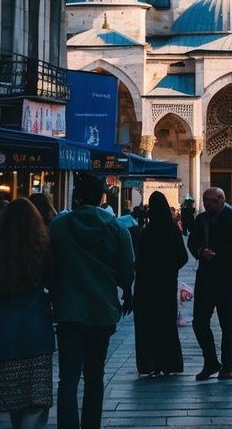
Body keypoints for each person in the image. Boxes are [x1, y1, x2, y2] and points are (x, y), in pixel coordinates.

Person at [49, 173, 135, 429]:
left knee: (68, 378)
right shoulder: (117, 228)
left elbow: (50, 268)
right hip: (102, 310)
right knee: (95, 376)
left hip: (69, 310)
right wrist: (124, 290)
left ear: (76, 196)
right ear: (101, 197)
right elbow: (127, 270)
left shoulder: (59, 226)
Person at [0, 198, 56, 429]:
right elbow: (52, 281)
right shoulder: (42, 249)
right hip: (36, 328)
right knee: (36, 397)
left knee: (15, 398)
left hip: (2, 328)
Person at [188, 187, 232, 381]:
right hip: (205, 278)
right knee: (199, 322)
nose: (207, 205)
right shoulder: (202, 219)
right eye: (205, 201)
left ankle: (227, 365)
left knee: (227, 324)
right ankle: (211, 361)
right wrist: (200, 252)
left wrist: (221, 256)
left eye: (211, 201)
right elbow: (192, 242)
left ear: (222, 200)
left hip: (227, 279)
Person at [134, 191, 188, 377]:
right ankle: (170, 363)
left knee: (148, 325)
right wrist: (169, 269)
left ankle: (151, 363)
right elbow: (183, 257)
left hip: (146, 285)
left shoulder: (147, 232)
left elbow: (139, 260)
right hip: (166, 284)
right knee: (166, 325)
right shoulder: (173, 230)